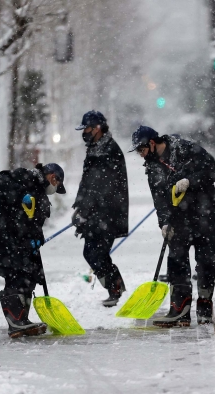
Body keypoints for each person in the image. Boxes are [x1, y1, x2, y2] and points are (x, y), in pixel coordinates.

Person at [129, 126, 215, 327]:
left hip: (204, 214)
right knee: (176, 262)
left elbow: (212, 171)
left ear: (152, 143)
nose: (141, 155)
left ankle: (204, 305)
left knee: (206, 262)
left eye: (142, 149)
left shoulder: (185, 149)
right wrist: (164, 223)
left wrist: (190, 181)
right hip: (178, 220)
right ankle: (180, 308)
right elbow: (159, 199)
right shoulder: (152, 168)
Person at [0, 163, 66, 338]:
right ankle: (15, 321)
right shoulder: (26, 176)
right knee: (16, 274)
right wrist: (21, 194)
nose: (55, 189)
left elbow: (35, 221)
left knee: (31, 275)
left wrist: (38, 238)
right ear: (53, 177)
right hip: (7, 236)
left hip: (23, 241)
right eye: (57, 185)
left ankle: (22, 319)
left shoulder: (41, 194)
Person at [72, 110, 129, 307]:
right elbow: (87, 182)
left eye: (86, 128)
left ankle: (115, 288)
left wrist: (86, 211)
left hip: (108, 213)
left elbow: (102, 186)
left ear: (97, 128)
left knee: (97, 253)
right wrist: (79, 207)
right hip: (95, 213)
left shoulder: (108, 151)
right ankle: (114, 287)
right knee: (90, 253)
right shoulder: (96, 148)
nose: (84, 132)